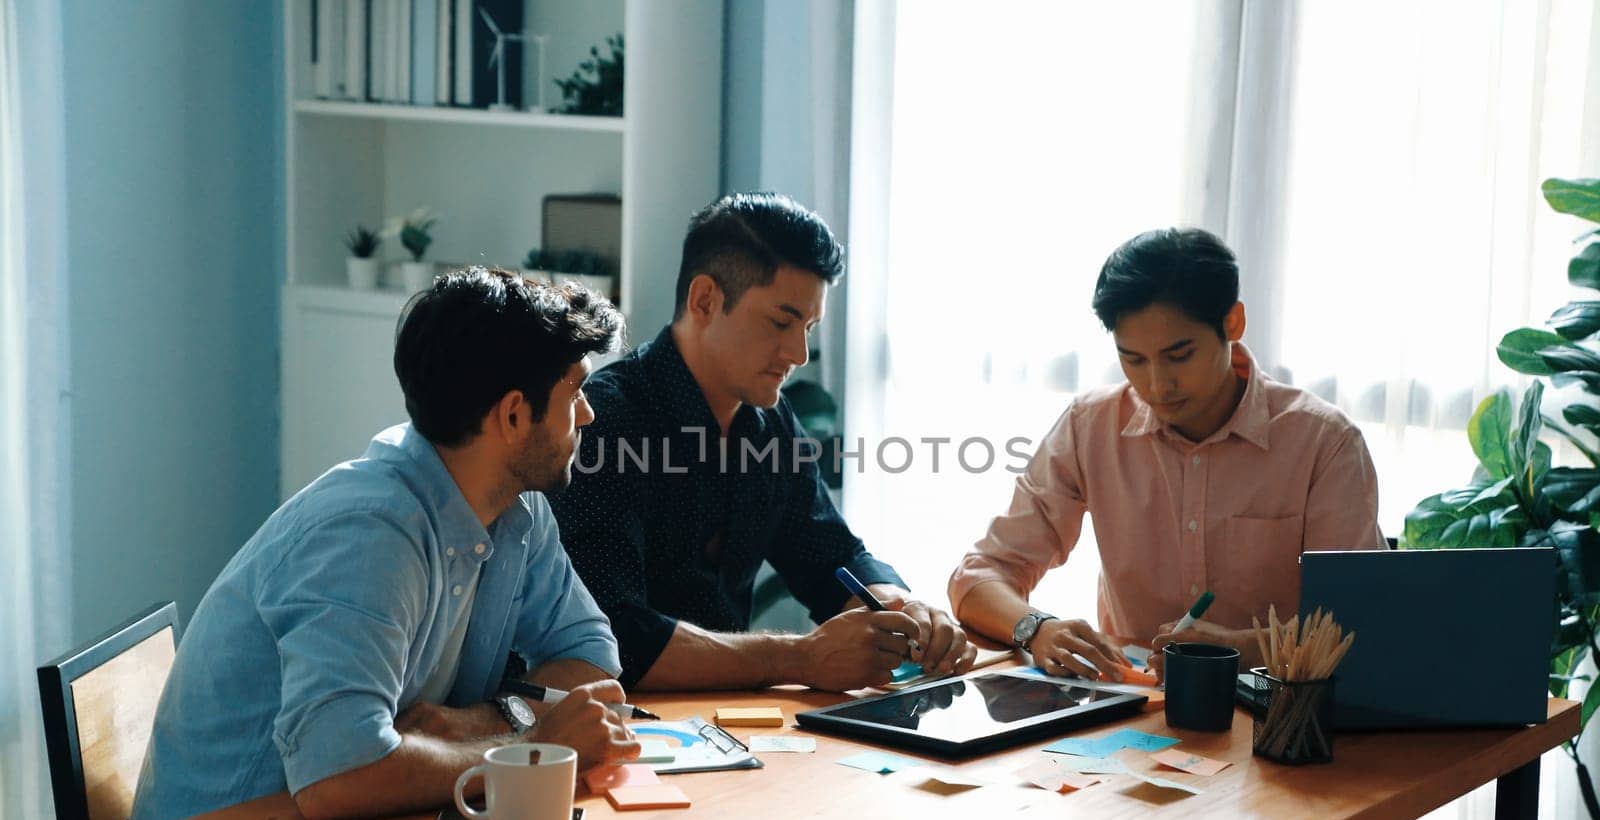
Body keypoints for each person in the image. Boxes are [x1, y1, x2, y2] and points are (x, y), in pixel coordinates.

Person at [130, 268, 639, 820]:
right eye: (576, 390)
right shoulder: (370, 534)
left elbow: (590, 653)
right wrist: (533, 745)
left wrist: (485, 720)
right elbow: (338, 773)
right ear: (514, 415)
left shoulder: (515, 508)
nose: (589, 413)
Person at [549, 193, 976, 691]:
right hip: (612, 727)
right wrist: (799, 658)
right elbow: (616, 636)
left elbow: (832, 559)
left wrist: (905, 610)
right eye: (781, 322)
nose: (798, 353)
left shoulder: (769, 423)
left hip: (731, 727)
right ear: (705, 299)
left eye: (808, 328)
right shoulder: (604, 419)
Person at [949, 227, 1385, 681]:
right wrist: (1036, 629)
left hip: (1277, 713)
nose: (1157, 385)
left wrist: (1243, 648)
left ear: (1232, 323)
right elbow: (979, 577)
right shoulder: (1090, 425)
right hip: (1132, 711)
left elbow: (1361, 622)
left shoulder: (1323, 442)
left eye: (1179, 355)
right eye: (1133, 359)